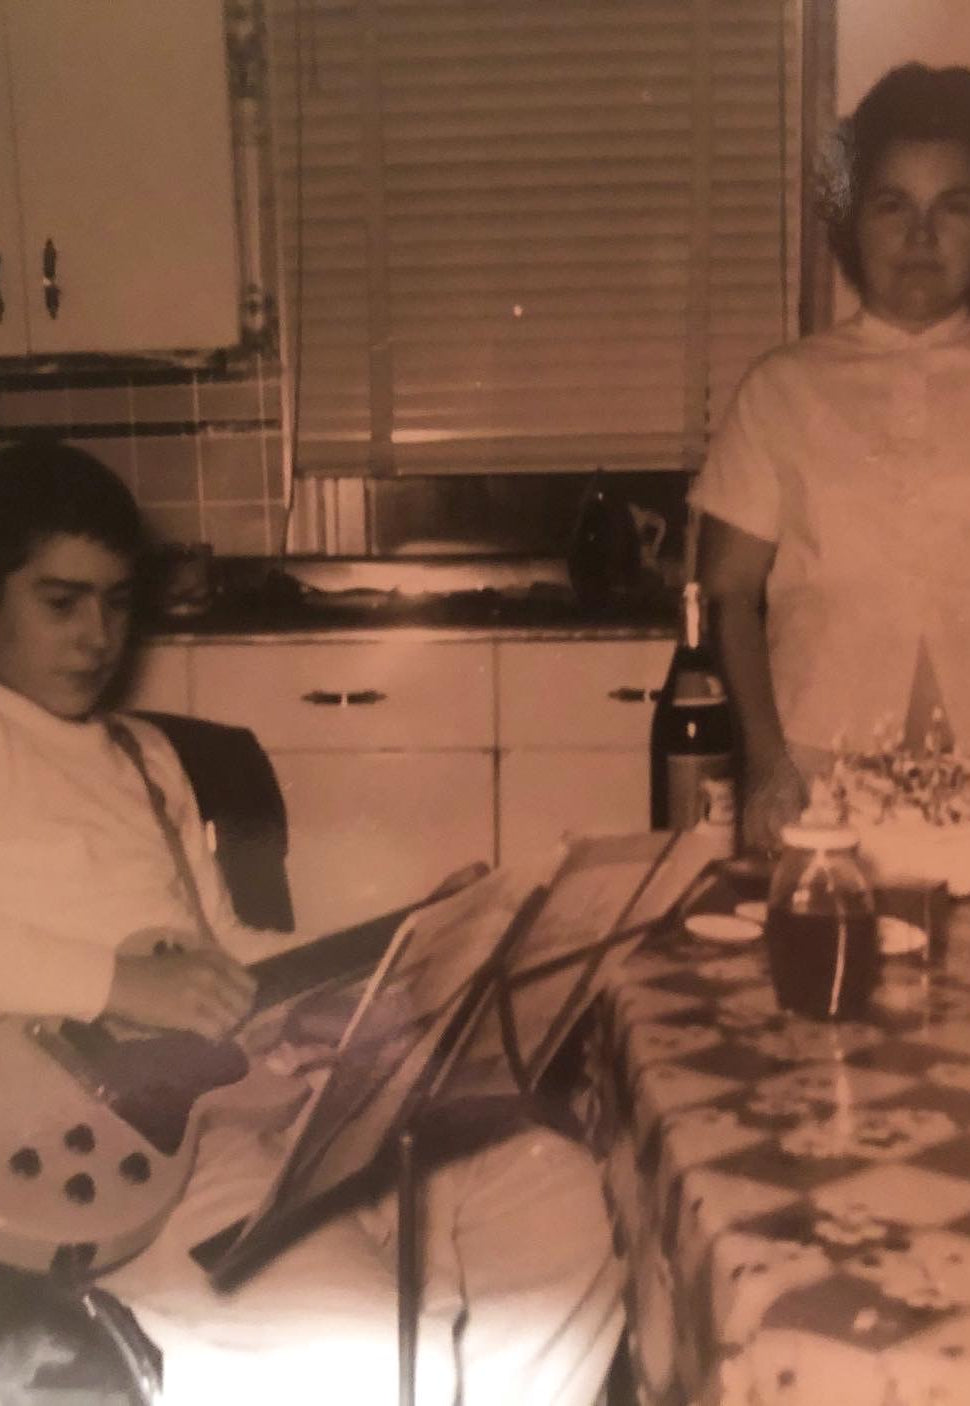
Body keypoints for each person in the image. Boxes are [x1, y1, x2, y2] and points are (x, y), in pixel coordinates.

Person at [0, 439, 623, 1404]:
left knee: (556, 1193)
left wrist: (411, 936)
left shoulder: (144, 756)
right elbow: (145, 982)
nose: (97, 636)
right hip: (107, 1163)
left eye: (117, 603)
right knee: (364, 1353)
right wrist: (120, 985)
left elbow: (226, 955)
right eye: (61, 602)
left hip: (249, 1104)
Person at [691, 62, 970, 850]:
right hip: (818, 780)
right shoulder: (781, 388)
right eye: (892, 205)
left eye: (954, 206)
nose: (922, 236)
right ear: (851, 224)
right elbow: (727, 594)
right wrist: (768, 765)